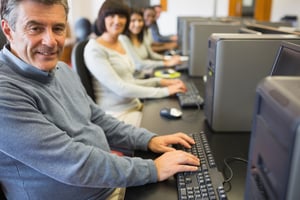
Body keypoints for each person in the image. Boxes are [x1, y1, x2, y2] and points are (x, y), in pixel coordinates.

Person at [0, 0, 200, 199]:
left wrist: (148, 140)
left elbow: (98, 119)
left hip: (108, 184)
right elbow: (72, 163)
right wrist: (153, 169)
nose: (50, 41)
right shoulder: (5, 91)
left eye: (58, 28)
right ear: (8, 30)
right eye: (35, 28)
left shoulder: (60, 69)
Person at [84, 0, 186, 127]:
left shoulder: (120, 42)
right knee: (168, 127)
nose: (117, 21)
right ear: (102, 19)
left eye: (121, 16)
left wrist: (159, 82)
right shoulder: (94, 49)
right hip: (117, 115)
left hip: (134, 105)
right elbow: (121, 88)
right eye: (111, 16)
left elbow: (129, 81)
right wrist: (164, 91)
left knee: (180, 119)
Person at [120, 8, 181, 72]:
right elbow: (138, 64)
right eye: (133, 21)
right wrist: (166, 63)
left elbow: (151, 55)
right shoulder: (123, 39)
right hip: (137, 78)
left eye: (140, 20)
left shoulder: (141, 36)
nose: (137, 24)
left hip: (146, 73)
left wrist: (168, 58)